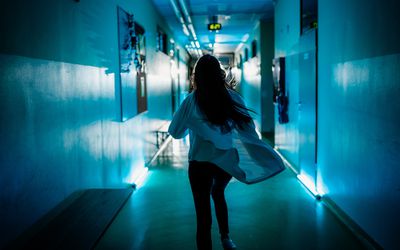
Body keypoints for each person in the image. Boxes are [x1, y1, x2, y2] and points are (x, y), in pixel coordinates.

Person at [168, 54, 285, 250]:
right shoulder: (232, 97)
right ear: (219, 74)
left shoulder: (191, 101)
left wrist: (193, 124)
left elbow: (175, 132)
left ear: (196, 76)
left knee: (202, 218)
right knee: (218, 193)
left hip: (199, 166)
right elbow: (249, 131)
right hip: (225, 163)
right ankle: (226, 238)